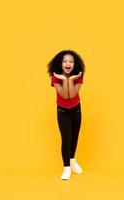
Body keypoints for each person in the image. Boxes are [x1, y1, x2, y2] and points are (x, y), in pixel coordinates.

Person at [47, 50, 86, 180]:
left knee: (74, 137)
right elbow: (65, 96)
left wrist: (71, 79)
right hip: (62, 111)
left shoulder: (78, 75)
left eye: (71, 61)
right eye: (65, 61)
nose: (68, 63)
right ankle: (66, 168)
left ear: (75, 64)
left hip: (76, 110)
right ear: (60, 63)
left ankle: (72, 159)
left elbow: (73, 95)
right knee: (66, 138)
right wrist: (64, 79)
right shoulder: (55, 77)